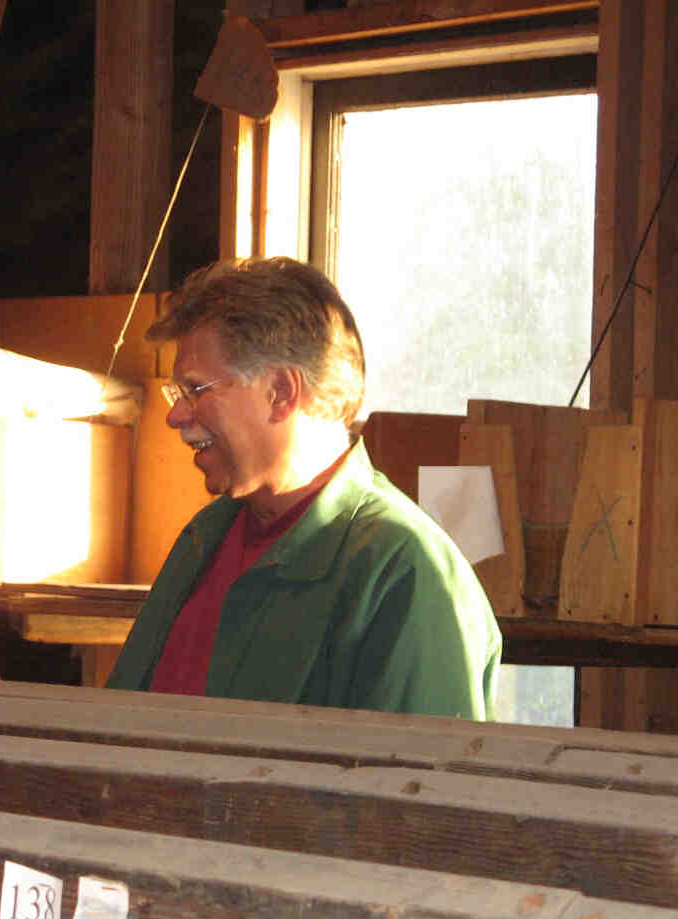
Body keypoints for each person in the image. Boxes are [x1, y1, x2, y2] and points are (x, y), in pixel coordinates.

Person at [106, 257, 499, 718]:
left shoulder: (405, 572)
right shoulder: (205, 537)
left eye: (196, 390)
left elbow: (417, 784)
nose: (175, 416)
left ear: (282, 393)